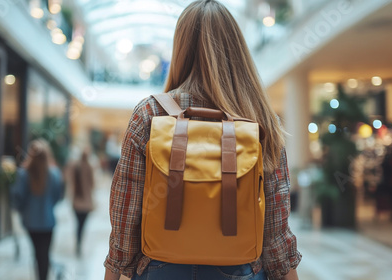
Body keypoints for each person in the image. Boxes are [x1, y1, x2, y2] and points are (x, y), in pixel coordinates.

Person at [104, 1, 301, 279]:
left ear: (180, 49)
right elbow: (276, 227)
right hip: (240, 269)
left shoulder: (150, 114)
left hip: (161, 268)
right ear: (237, 50)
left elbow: (126, 215)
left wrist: (115, 271)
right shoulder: (260, 121)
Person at [11, 139, 64, 280]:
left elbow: (17, 197)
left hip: (31, 221)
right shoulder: (54, 174)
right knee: (44, 253)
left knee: (37, 253)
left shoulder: (23, 174)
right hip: (48, 220)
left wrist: (23, 210)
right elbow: (58, 197)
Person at [72, 147, 95, 256]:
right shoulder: (89, 167)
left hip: (76, 201)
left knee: (78, 224)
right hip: (85, 202)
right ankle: (79, 241)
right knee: (82, 224)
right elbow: (92, 184)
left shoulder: (75, 166)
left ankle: (78, 240)